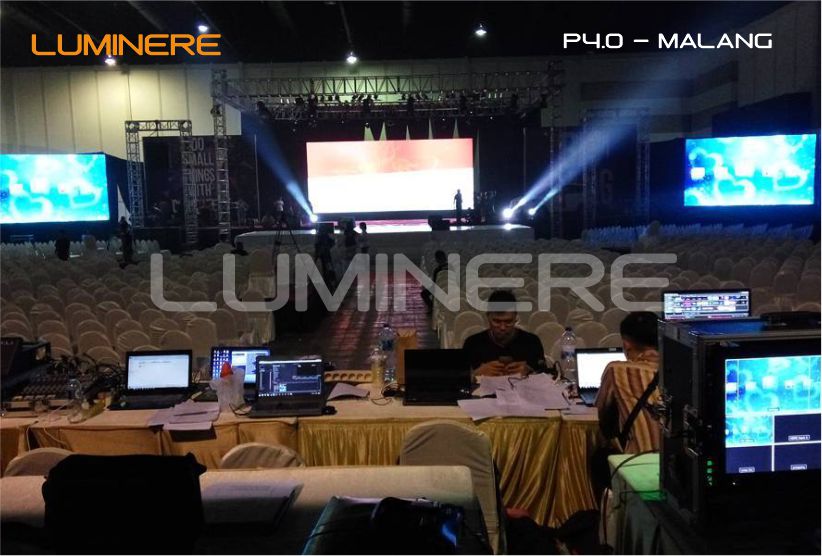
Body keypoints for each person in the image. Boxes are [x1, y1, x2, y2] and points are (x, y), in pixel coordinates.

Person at [594, 311, 661, 454]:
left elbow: (600, 415)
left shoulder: (616, 370)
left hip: (636, 460)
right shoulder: (679, 370)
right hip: (678, 464)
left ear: (626, 344)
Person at [462, 290, 546, 379]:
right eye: (496, 321)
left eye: (508, 321)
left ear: (516, 317)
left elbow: (547, 377)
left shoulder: (532, 342)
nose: (502, 327)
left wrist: (530, 372)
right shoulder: (472, 344)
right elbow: (458, 381)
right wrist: (475, 374)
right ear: (488, 317)